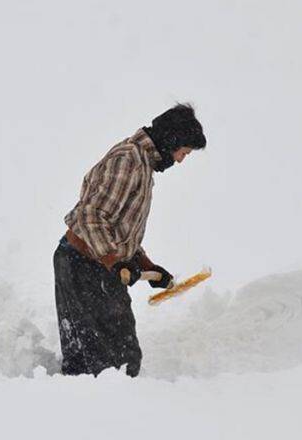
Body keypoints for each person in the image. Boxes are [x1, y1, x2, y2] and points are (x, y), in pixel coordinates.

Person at [54, 103, 207, 377]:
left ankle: (85, 412)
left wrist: (144, 262)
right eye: (183, 152)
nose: (182, 160)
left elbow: (118, 226)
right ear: (170, 140)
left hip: (91, 263)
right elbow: (91, 216)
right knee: (115, 363)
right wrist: (113, 261)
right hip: (83, 265)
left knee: (101, 360)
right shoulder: (129, 161)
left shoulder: (142, 164)